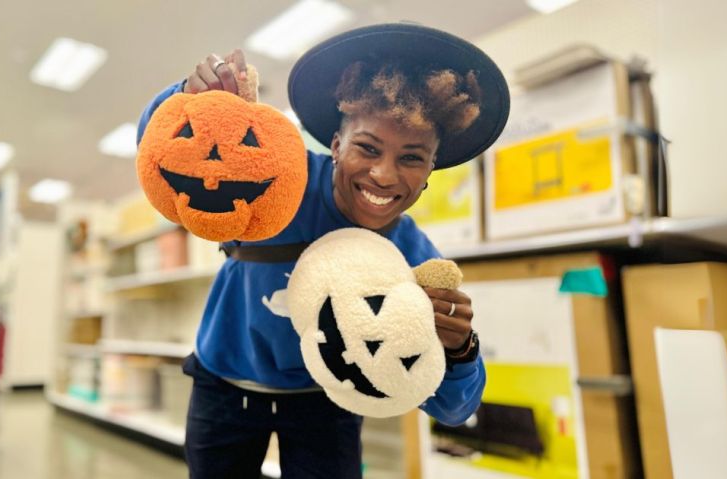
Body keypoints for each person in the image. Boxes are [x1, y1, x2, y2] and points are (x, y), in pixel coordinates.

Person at [136, 23, 509, 479]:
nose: (385, 175)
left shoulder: (410, 257)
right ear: (335, 146)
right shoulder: (276, 180)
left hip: (326, 398)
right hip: (225, 382)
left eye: (411, 158)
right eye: (367, 148)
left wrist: (459, 350)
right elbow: (166, 156)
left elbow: (453, 410)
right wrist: (190, 99)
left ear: (431, 168)